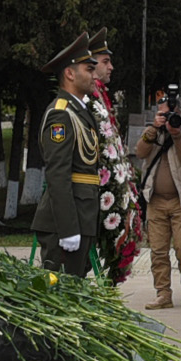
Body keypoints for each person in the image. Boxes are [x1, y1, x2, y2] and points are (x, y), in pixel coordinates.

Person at [32, 33, 112, 277]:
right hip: (65, 222)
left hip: (82, 215)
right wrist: (68, 228)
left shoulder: (79, 110)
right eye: (89, 69)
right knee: (59, 298)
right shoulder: (61, 114)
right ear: (69, 73)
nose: (94, 74)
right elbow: (58, 175)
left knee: (73, 291)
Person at [131, 89, 181, 308]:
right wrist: (154, 128)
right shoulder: (152, 132)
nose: (167, 118)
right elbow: (140, 152)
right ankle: (163, 293)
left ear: (179, 114)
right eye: (163, 114)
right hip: (155, 201)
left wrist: (176, 134)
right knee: (158, 251)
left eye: (171, 114)